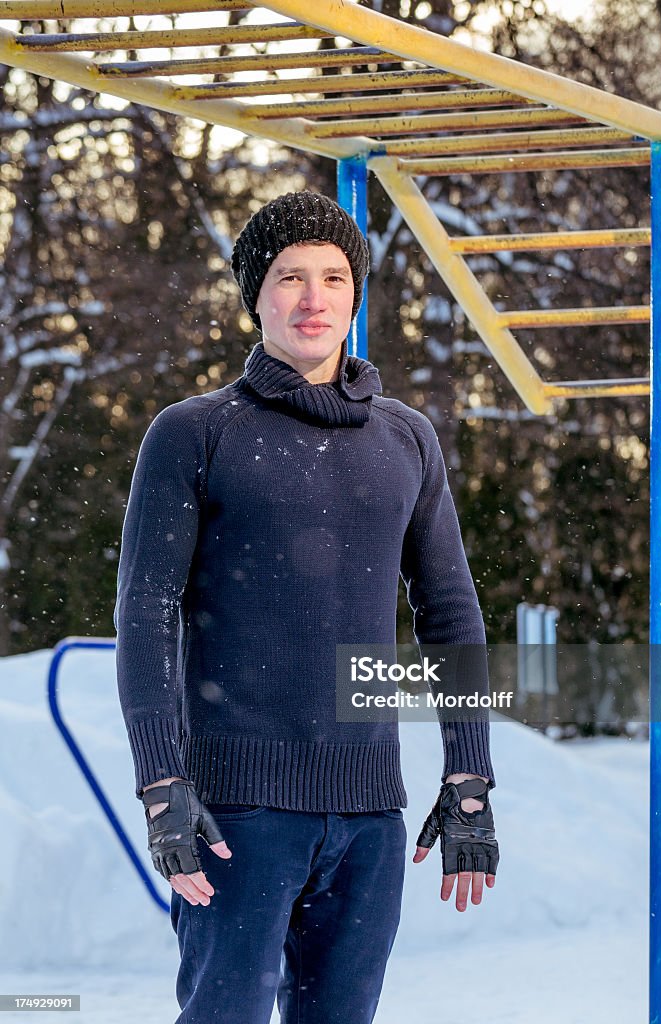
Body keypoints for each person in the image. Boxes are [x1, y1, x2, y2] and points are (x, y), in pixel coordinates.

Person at [115, 190, 499, 1024]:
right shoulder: (197, 431)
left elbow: (450, 611)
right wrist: (162, 784)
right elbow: (145, 614)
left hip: (370, 819)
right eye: (289, 276)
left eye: (333, 276)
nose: (313, 297)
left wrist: (469, 776)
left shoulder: (406, 439)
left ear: (356, 295)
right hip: (236, 815)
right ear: (256, 295)